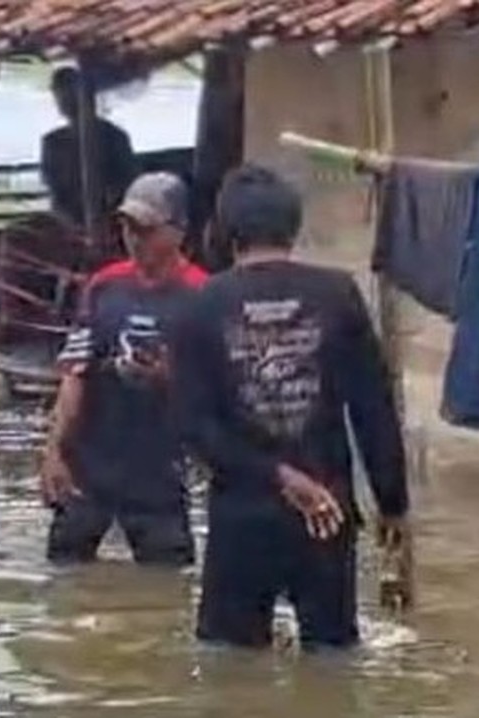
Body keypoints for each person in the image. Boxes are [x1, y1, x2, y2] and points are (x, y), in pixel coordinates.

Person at [170, 164, 409, 650]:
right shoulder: (337, 294)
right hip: (328, 513)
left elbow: (195, 428)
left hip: (243, 519)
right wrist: (393, 505)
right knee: (333, 659)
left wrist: (277, 476)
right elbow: (374, 409)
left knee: (230, 667)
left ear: (224, 230)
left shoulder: (201, 305)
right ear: (293, 225)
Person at [39, 172, 208, 566]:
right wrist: (53, 452)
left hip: (159, 471)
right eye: (127, 227)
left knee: (168, 579)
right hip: (91, 462)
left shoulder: (202, 295)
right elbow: (75, 373)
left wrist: (170, 377)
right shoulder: (104, 286)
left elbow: (214, 395)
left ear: (178, 232)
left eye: (146, 229)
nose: (134, 238)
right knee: (65, 572)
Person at [40, 67, 138, 231]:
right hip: (67, 220)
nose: (62, 101)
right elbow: (54, 187)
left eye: (68, 94)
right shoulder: (52, 142)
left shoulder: (113, 136)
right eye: (59, 95)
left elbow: (126, 181)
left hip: (110, 219)